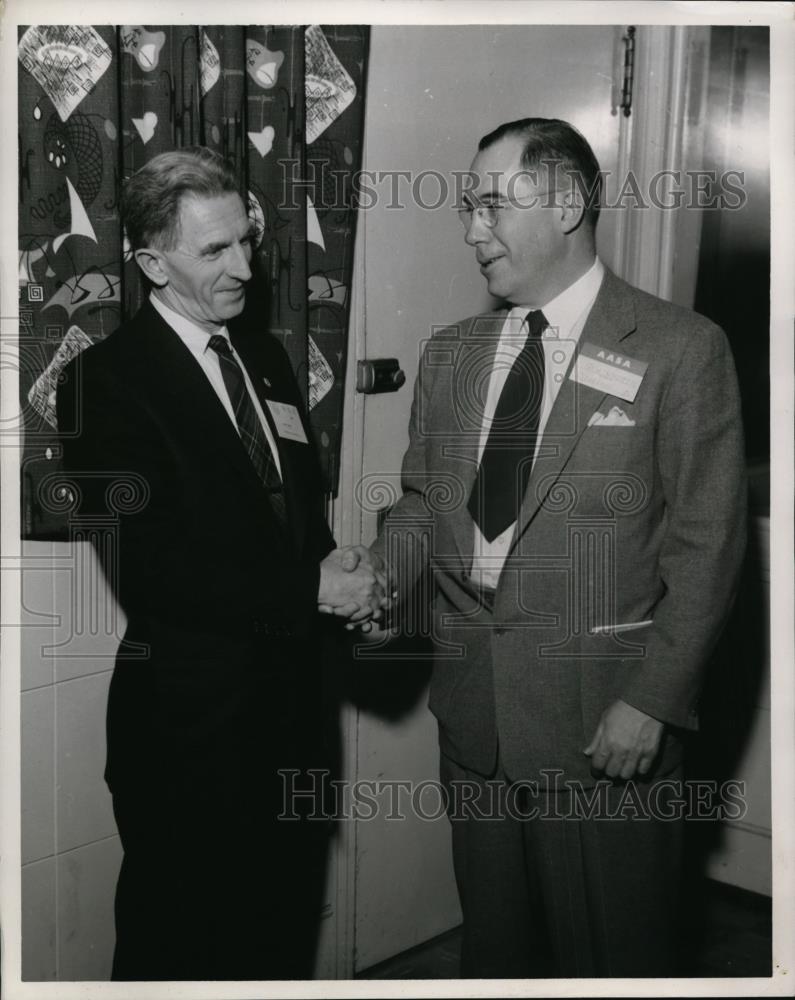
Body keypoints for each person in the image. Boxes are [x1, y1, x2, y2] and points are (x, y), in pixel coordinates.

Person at [356, 118, 747, 976]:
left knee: (613, 958)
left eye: (492, 205)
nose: (470, 230)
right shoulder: (452, 352)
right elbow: (425, 505)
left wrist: (653, 700)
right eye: (466, 209)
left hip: (604, 731)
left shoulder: (681, 350)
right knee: (496, 960)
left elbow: (708, 542)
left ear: (567, 202)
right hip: (478, 723)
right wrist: (382, 573)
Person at [56, 146, 385, 980]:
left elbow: (287, 523)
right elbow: (151, 569)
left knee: (272, 941)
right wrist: (308, 585)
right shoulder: (102, 384)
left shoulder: (265, 359)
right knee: (180, 949)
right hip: (187, 731)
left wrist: (342, 584)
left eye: (246, 241)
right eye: (214, 250)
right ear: (150, 263)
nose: (243, 265)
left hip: (288, 718)